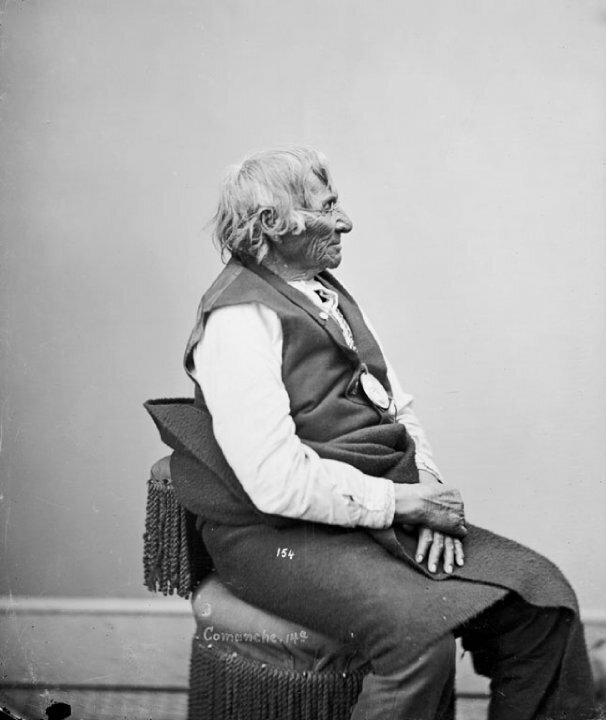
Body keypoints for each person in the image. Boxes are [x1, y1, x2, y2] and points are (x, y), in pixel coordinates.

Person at [152, 146, 596, 720]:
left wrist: (427, 488)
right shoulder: (238, 320)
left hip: (370, 508)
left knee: (542, 604)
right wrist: (405, 503)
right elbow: (275, 483)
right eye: (326, 207)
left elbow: (395, 406)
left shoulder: (324, 292)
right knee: (418, 637)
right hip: (273, 534)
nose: (345, 222)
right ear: (272, 223)